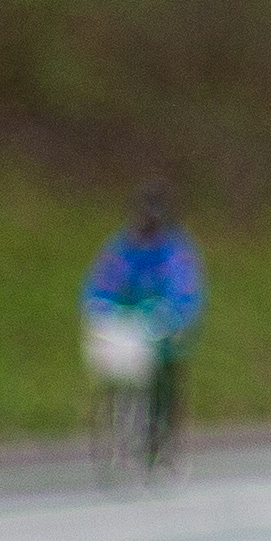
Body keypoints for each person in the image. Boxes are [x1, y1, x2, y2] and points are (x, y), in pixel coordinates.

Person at [83, 182, 204, 471]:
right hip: (130, 323)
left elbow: (184, 288)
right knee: (115, 370)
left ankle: (164, 440)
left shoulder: (175, 250)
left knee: (167, 378)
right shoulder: (123, 247)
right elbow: (102, 282)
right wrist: (99, 307)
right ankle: (113, 430)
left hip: (163, 325)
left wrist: (175, 315)